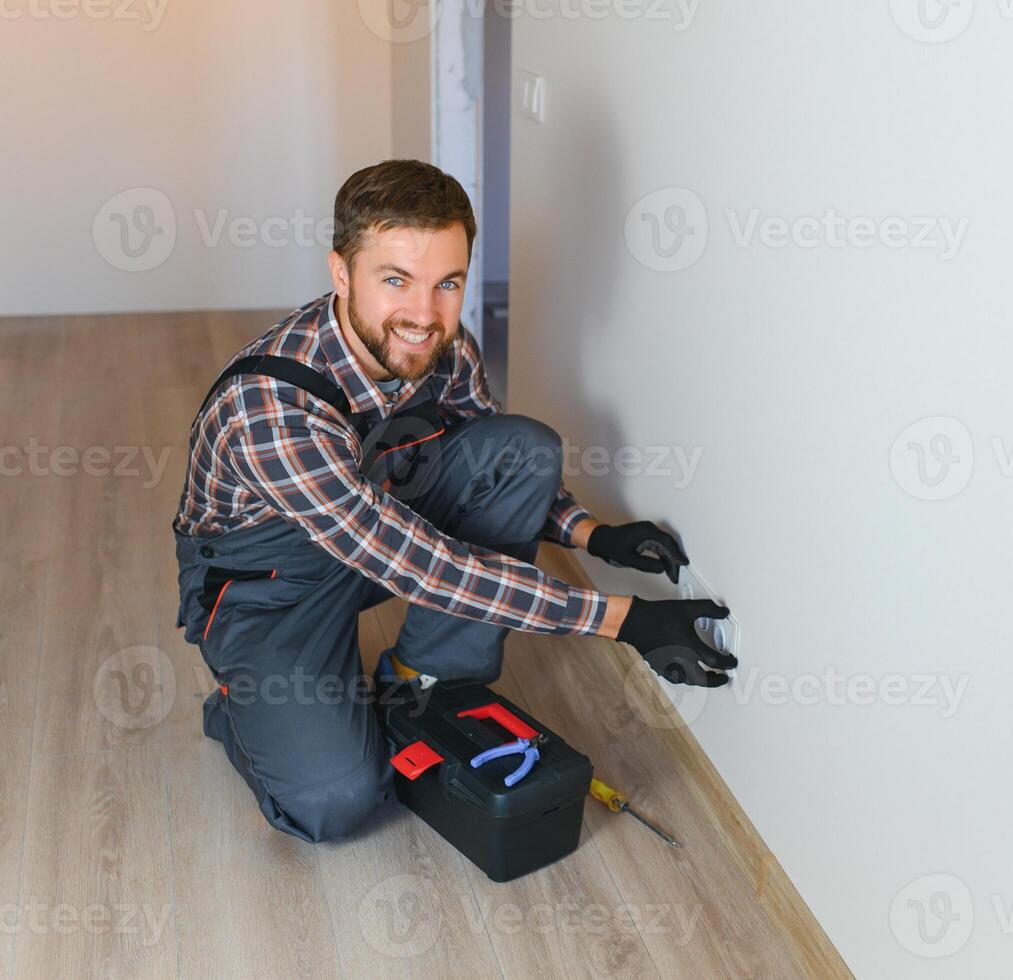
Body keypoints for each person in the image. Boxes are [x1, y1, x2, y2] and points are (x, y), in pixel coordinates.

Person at [170, 159, 735, 843]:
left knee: (521, 446)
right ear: (341, 273)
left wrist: (590, 535)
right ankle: (239, 712)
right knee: (336, 799)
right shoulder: (272, 409)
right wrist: (625, 619)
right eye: (394, 280)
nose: (424, 313)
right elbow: (425, 568)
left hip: (377, 535)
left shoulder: (439, 345)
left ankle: (422, 676)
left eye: (448, 283)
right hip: (271, 590)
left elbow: (491, 461)